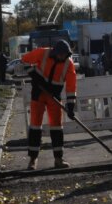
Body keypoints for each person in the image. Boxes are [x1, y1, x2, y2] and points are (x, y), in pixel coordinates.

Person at [22, 40, 77, 170]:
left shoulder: (69, 64)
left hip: (54, 97)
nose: (62, 57)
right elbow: (24, 60)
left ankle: (58, 159)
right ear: (55, 52)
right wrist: (33, 73)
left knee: (57, 127)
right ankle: (32, 160)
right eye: (60, 54)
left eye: (64, 55)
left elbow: (71, 86)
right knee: (35, 126)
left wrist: (70, 106)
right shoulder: (43, 53)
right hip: (39, 94)